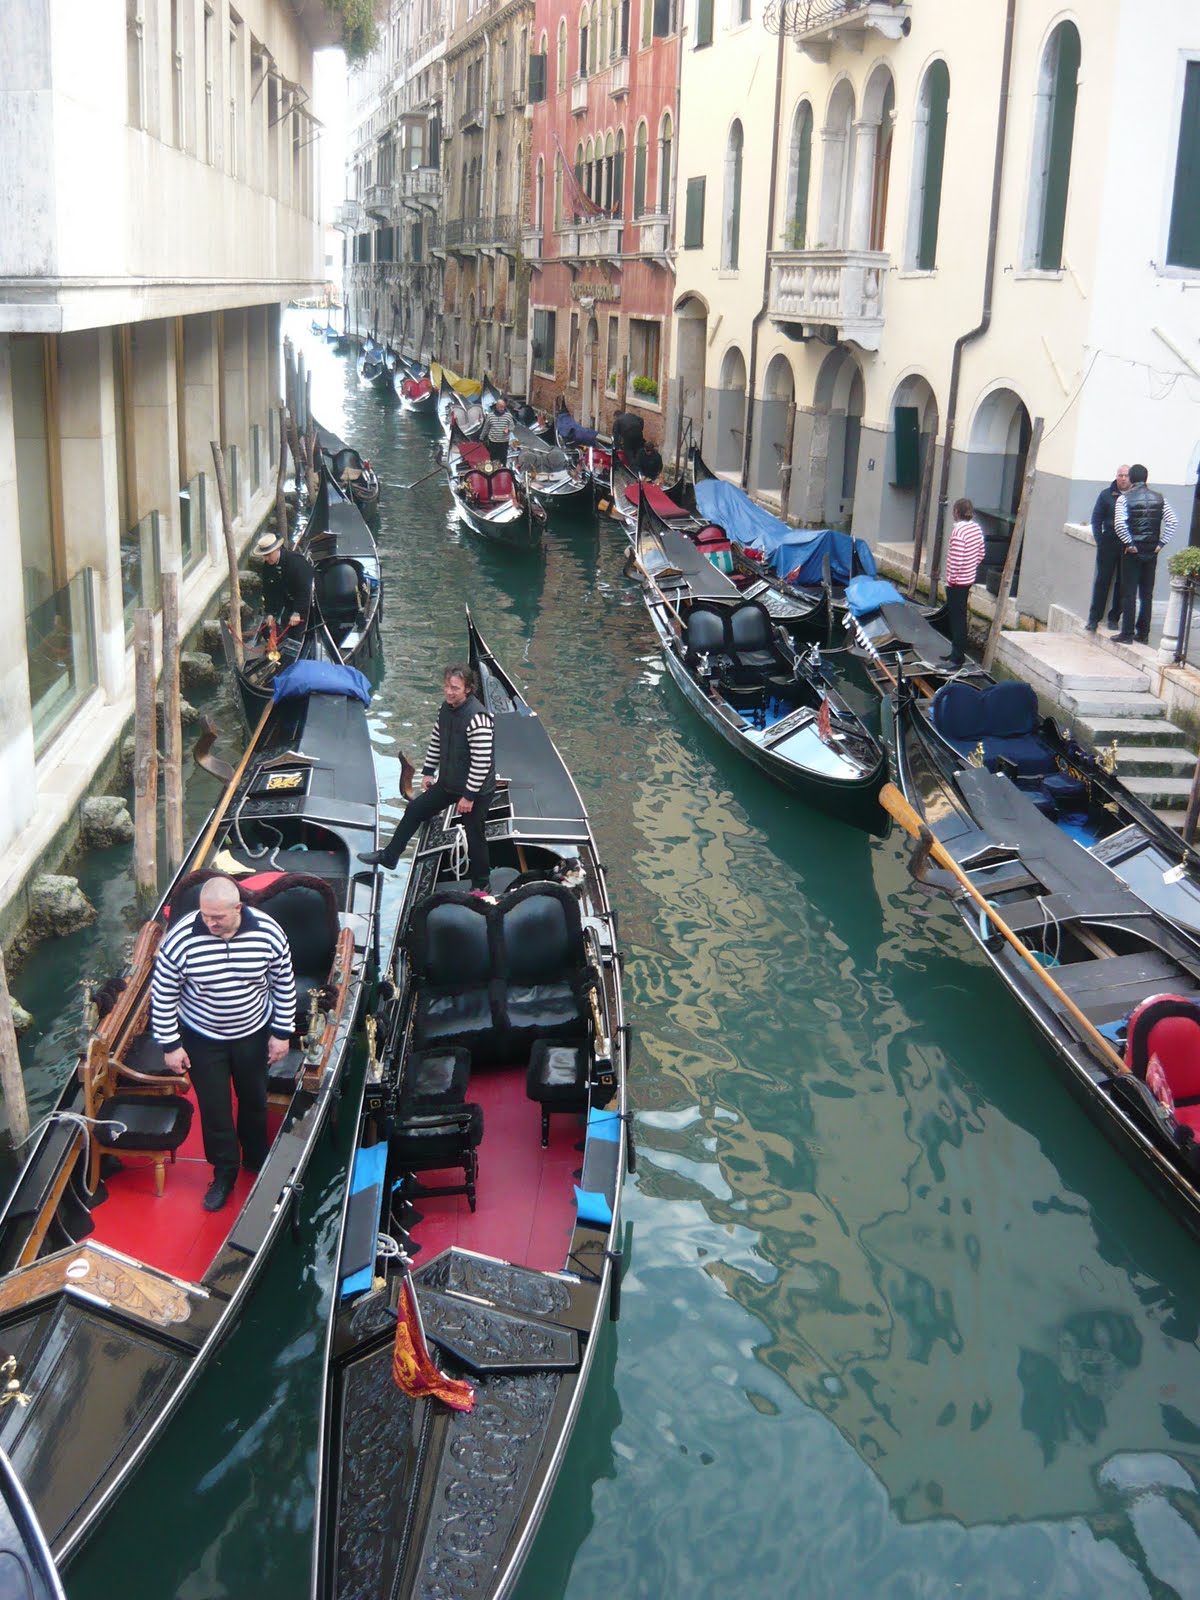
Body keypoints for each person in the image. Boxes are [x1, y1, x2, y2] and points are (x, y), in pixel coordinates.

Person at [151, 875, 297, 1212]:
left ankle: (256, 1159)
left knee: (254, 1099)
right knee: (215, 1109)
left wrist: (282, 1033)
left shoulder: (269, 932)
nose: (209, 923)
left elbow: (283, 982)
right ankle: (224, 1172)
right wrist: (171, 1045)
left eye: (217, 917)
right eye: (205, 916)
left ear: (238, 908)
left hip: (253, 1031)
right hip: (203, 1037)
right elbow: (163, 996)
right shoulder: (181, 939)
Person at [359, 665, 496, 894]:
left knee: (475, 835)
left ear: (468, 689)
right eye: (447, 686)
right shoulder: (446, 709)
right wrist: (429, 771)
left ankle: (482, 882)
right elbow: (437, 739)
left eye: (455, 688)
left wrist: (469, 796)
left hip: (476, 790)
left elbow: (482, 762)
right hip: (450, 782)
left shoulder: (478, 718)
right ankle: (390, 856)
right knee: (415, 809)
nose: (449, 692)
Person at [1113, 463, 1179, 644]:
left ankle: (1126, 633)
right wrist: (1160, 543)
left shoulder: (1124, 499)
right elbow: (1172, 522)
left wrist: (1130, 544)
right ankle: (1143, 633)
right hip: (1151, 551)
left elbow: (1120, 524)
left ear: (1132, 479)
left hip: (1132, 551)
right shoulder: (1160, 498)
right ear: (1146, 478)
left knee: (1129, 593)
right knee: (1146, 594)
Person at [941, 497, 986, 667]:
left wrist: (951, 580)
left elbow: (957, 561)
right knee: (958, 616)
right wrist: (970, 568)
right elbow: (981, 554)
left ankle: (956, 657)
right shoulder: (976, 529)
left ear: (956, 512)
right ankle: (955, 652)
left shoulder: (959, 532)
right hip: (968, 580)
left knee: (957, 619)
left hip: (957, 583)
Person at [1085, 465, 1130, 632]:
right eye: (1120, 475)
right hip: (1108, 542)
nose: (1123, 478)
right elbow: (1096, 519)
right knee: (1102, 581)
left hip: (1127, 545)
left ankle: (1114, 618)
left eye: (1126, 475)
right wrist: (1100, 539)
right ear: (1116, 477)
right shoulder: (1106, 495)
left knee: (1122, 583)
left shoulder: (1134, 497)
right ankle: (1093, 618)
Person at [256, 532, 312, 631]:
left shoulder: (296, 562)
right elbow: (268, 591)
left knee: (299, 631)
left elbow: (305, 589)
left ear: (277, 549)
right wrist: (270, 613)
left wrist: (297, 612)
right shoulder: (267, 566)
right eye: (264, 555)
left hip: (307, 602)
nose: (266, 558)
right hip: (288, 602)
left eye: (268, 555)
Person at [479, 397, 514, 464]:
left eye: (504, 407)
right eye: (501, 407)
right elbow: (486, 428)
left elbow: (512, 426)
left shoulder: (508, 416)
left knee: (503, 460)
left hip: (504, 442)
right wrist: (481, 438)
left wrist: (508, 429)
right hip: (493, 442)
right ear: (497, 406)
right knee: (493, 459)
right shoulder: (490, 416)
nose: (502, 409)